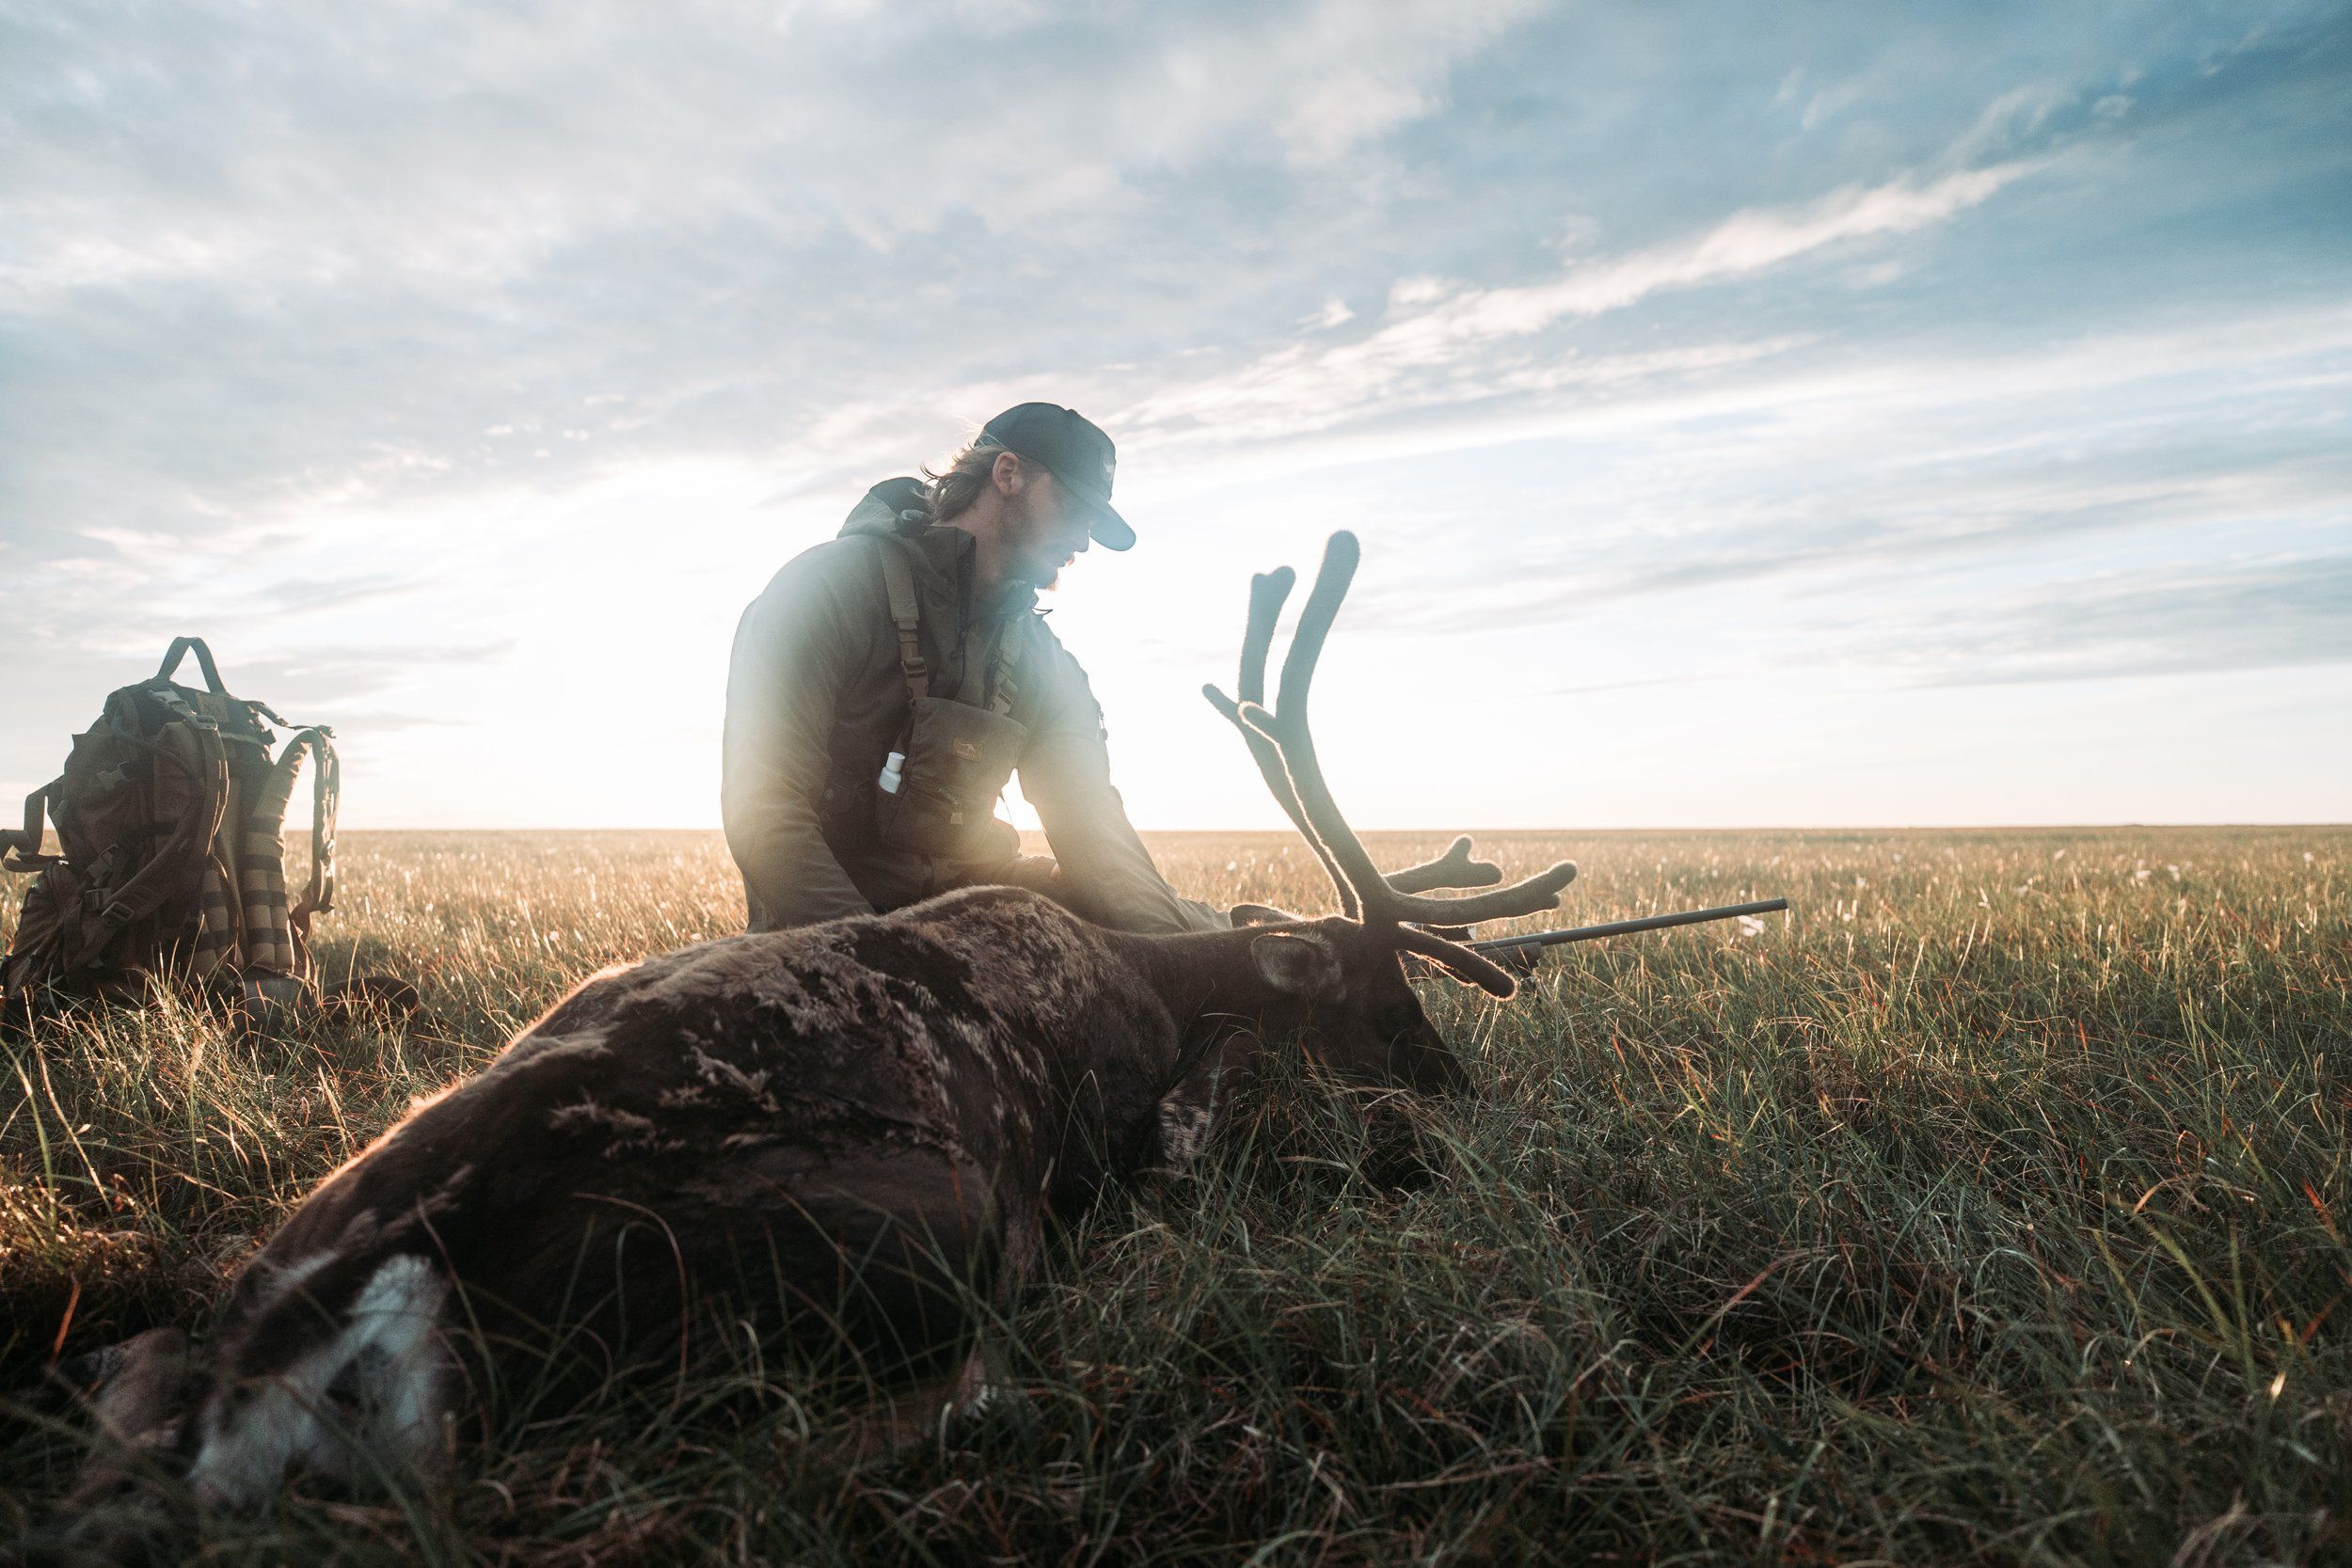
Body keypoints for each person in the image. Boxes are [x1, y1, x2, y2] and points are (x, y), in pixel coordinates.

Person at [722, 403, 1228, 935]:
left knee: (1179, 936)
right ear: (1007, 473)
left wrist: (1183, 966)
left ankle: (1254, 943)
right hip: (838, 923)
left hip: (974, 906)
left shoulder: (1044, 660)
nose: (1082, 542)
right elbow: (764, 810)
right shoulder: (825, 590)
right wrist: (877, 963)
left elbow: (1090, 824)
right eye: (1074, 510)